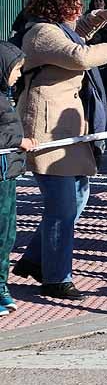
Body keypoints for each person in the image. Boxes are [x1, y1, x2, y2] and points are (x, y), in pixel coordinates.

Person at [12, 0, 107, 299]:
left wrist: (99, 16)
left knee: (76, 197)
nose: (78, 10)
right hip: (47, 130)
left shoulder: (54, 28)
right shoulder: (41, 33)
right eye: (73, 4)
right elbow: (78, 54)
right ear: (56, 8)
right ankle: (56, 278)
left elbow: (75, 32)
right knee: (63, 207)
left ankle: (38, 259)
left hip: (67, 130)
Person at [0, 42, 34, 316]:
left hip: (7, 175)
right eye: (16, 69)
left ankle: (2, 287)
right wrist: (19, 141)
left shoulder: (4, 95)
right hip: (1, 175)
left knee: (8, 234)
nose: (19, 75)